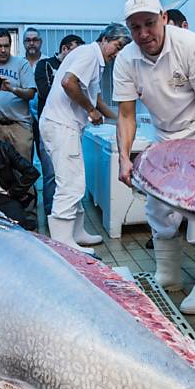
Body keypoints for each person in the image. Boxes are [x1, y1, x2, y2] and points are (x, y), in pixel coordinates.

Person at [115, 0, 195, 315]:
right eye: (135, 28)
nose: (143, 34)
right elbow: (125, 114)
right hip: (165, 136)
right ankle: (168, 274)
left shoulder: (193, 46)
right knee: (159, 202)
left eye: (149, 23)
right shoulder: (126, 59)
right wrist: (124, 158)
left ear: (164, 18)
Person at [40, 24, 127, 253]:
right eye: (117, 47)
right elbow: (68, 82)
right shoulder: (89, 53)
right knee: (69, 183)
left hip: (62, 125)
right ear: (105, 39)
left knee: (75, 180)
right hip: (61, 125)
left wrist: (122, 119)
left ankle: (76, 232)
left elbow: (98, 101)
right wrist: (90, 110)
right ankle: (62, 242)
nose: (117, 54)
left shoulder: (96, 63)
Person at [34, 34, 84, 218]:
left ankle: (69, 215)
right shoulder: (45, 65)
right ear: (65, 49)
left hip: (71, 127)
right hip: (51, 126)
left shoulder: (76, 69)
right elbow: (45, 92)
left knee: (70, 177)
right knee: (51, 175)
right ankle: (51, 215)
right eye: (74, 51)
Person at [0, 29, 36, 160]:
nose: (3, 50)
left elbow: (30, 93)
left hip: (19, 126)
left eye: (6, 45)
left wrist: (12, 89)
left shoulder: (22, 64)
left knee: (22, 172)